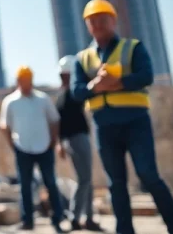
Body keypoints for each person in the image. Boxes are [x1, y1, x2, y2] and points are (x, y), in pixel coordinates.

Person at [73, 0, 173, 234]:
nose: (97, 24)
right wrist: (95, 86)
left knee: (148, 174)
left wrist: (118, 83)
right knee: (116, 183)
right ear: (87, 25)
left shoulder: (133, 47)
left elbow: (146, 76)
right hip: (104, 126)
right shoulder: (83, 58)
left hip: (135, 122)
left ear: (113, 21)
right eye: (92, 21)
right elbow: (76, 91)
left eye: (102, 19)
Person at [0, 66, 67, 233]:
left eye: (28, 80)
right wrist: (13, 144)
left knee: (50, 183)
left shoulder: (43, 99)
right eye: (23, 80)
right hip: (22, 148)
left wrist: (53, 141)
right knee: (25, 186)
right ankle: (27, 221)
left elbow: (54, 120)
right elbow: (5, 125)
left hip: (45, 147)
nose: (26, 83)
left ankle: (58, 219)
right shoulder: (10, 101)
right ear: (18, 81)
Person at [55, 56, 102, 232]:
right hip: (76, 140)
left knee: (86, 179)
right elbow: (58, 124)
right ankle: (75, 217)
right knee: (84, 179)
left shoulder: (67, 95)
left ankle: (87, 218)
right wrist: (60, 143)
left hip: (77, 139)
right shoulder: (67, 96)